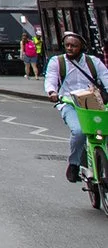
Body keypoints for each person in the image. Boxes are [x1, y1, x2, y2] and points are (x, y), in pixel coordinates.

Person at [44, 30, 107, 184]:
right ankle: (74, 164)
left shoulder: (93, 62)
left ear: (82, 47)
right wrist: (52, 92)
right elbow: (50, 78)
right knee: (79, 131)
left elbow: (106, 77)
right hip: (69, 103)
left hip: (92, 102)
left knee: (103, 130)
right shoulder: (57, 62)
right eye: (67, 45)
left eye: (74, 46)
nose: (70, 48)